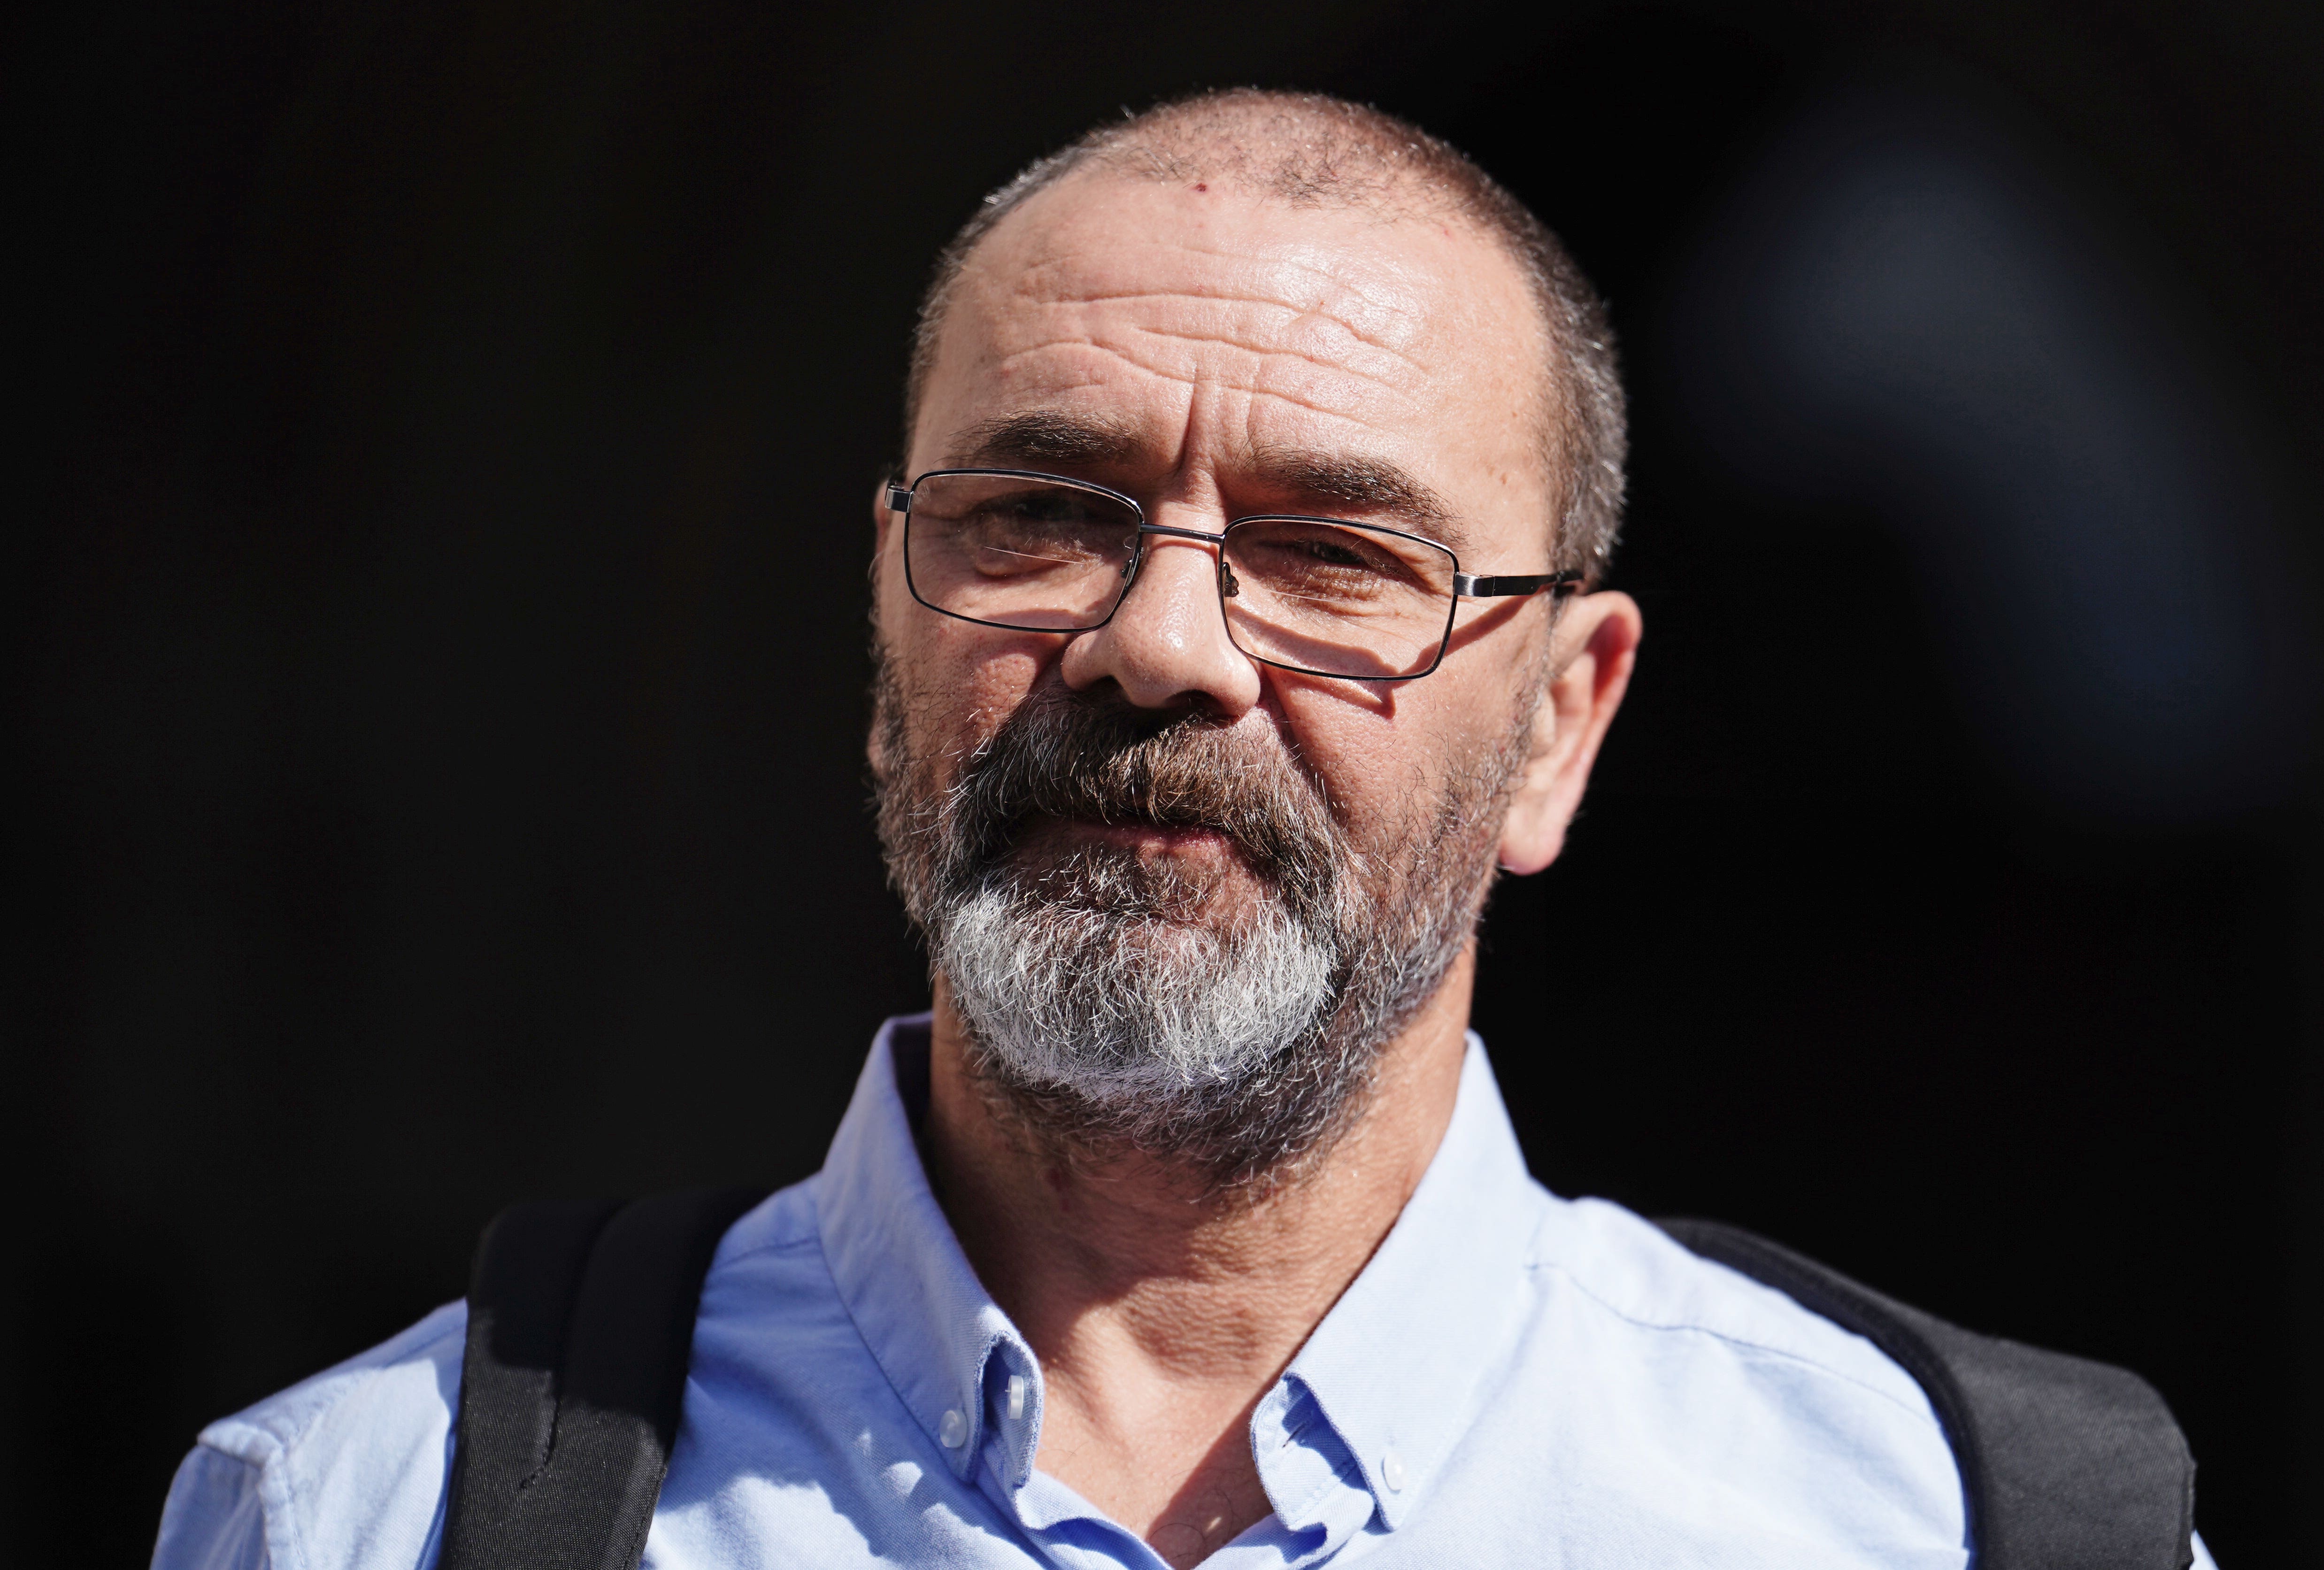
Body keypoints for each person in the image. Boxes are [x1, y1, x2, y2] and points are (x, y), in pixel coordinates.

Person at [151, 90, 2212, 1570]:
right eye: (1038, 514)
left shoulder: (1958, 1529)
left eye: (1330, 553)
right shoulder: (364, 1510)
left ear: (1560, 727)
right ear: (883, 616)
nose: (1158, 642)